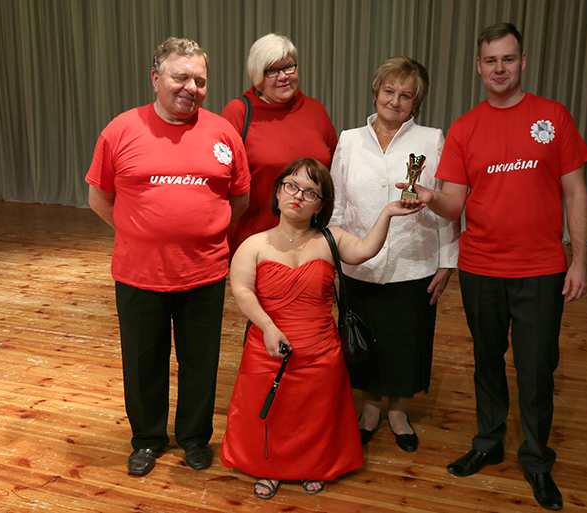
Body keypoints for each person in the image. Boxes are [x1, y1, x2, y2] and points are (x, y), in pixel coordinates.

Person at [399, 23, 587, 510]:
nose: (499, 68)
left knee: (536, 368)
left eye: (508, 59)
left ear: (522, 62)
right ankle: (488, 442)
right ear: (479, 67)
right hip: (481, 268)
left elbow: (575, 193)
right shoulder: (465, 128)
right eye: (491, 61)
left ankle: (537, 461)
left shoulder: (553, 117)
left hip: (541, 269)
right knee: (487, 361)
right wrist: (429, 196)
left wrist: (580, 260)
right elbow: (455, 205)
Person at [86, 37, 250, 477]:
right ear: (156, 78)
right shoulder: (120, 130)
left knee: (200, 363)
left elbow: (240, 198)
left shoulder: (223, 132)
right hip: (138, 274)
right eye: (181, 77)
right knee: (144, 364)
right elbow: (99, 198)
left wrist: (203, 231)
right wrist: (141, 233)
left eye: (200, 80)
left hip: (205, 273)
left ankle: (195, 438)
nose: (192, 88)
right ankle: (147, 439)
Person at [221, 158, 424, 499]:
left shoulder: (331, 239)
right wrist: (268, 327)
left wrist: (388, 213)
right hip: (268, 344)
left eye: (310, 192)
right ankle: (270, 467)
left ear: (321, 205)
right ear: (278, 191)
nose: (298, 196)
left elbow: (364, 251)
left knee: (314, 415)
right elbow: (241, 290)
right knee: (271, 411)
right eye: (291, 186)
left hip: (320, 349)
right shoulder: (254, 244)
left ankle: (312, 465)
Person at [329, 56, 460, 453]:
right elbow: (337, 205)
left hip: (414, 262)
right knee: (364, 340)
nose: (395, 100)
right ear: (376, 93)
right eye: (389, 91)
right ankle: (370, 410)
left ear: (416, 102)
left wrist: (447, 261)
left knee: (406, 341)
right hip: (358, 262)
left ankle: (399, 412)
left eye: (406, 95)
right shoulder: (350, 139)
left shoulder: (432, 140)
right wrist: (330, 256)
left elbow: (446, 205)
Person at [221, 33, 337, 256]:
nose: (283, 76)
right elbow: (219, 183)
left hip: (311, 248)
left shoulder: (315, 110)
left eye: (288, 67)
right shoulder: (238, 112)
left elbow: (334, 175)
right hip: (256, 248)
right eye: (272, 71)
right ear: (257, 76)